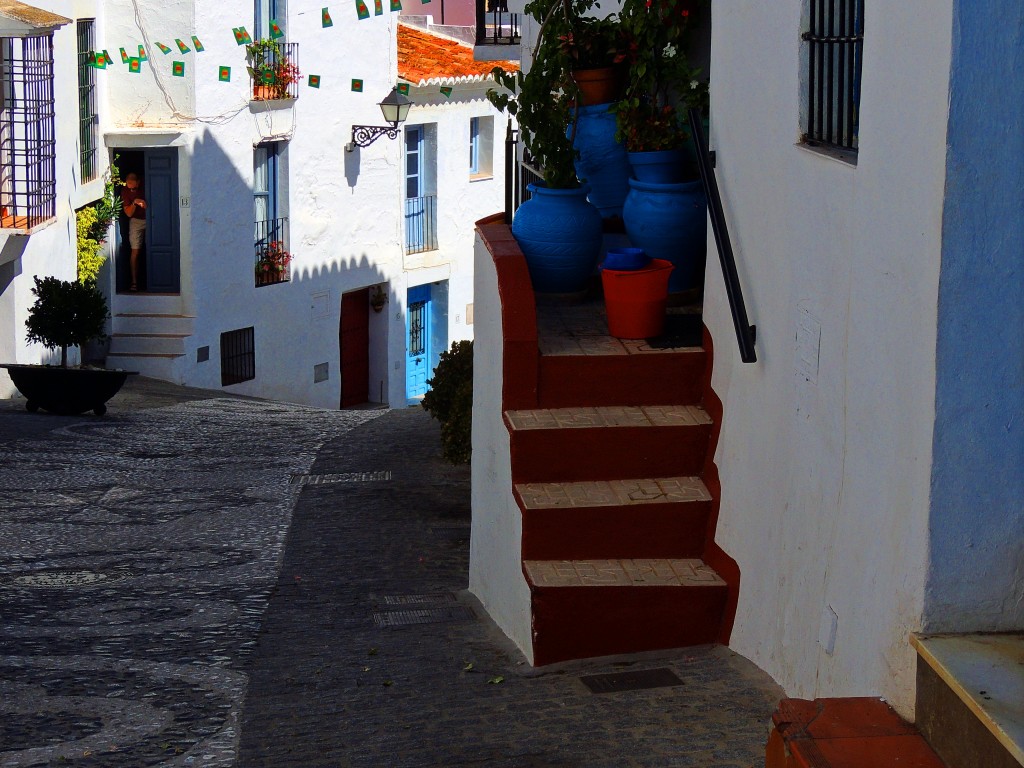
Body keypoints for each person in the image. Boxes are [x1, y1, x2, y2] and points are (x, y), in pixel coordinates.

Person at [120, 173, 147, 291]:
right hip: (136, 221)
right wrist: (135, 202)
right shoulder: (125, 191)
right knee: (135, 251)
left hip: (152, 218)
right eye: (129, 187)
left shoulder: (147, 184)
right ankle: (134, 282)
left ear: (138, 182)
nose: (131, 190)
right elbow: (129, 213)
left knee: (159, 246)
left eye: (134, 188)